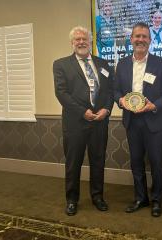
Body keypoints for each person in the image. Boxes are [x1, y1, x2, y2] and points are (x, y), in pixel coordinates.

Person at [114, 22, 162, 218]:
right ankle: (141, 198)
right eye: (137, 36)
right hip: (132, 122)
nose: (140, 39)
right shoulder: (121, 64)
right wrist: (121, 100)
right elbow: (115, 91)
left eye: (144, 37)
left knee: (157, 163)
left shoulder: (161, 63)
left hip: (154, 121)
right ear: (131, 39)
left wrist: (153, 105)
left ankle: (156, 199)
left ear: (150, 40)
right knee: (136, 162)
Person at [53, 26, 114, 216]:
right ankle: (72, 200)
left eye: (84, 39)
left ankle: (97, 197)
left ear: (91, 41)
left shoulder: (103, 64)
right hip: (76, 123)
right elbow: (61, 93)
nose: (81, 42)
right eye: (77, 39)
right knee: (73, 163)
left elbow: (110, 91)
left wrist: (107, 109)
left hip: (99, 122)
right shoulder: (61, 64)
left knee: (98, 161)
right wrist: (83, 112)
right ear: (72, 43)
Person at [96, 0, 116, 67]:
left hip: (112, 59)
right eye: (106, 6)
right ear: (102, 8)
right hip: (102, 59)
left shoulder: (113, 21)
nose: (108, 8)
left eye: (110, 6)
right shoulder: (97, 20)